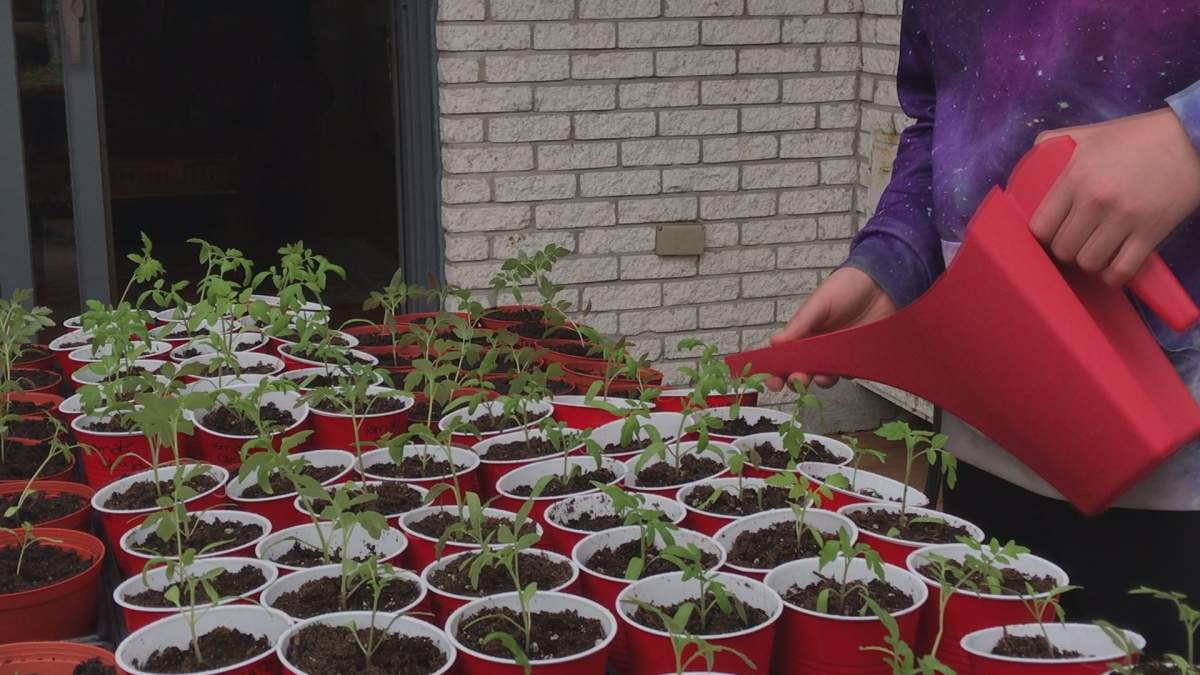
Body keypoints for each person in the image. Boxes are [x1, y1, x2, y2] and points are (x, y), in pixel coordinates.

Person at [769, 1, 1200, 653]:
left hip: (1178, 493)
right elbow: (937, 117)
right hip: (982, 455)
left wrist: (1188, 141)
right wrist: (895, 260)